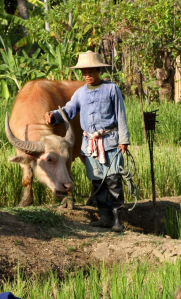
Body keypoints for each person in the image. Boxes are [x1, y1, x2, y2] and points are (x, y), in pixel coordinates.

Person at [44, 51, 130, 232]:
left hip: (110, 141)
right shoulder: (80, 93)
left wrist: (124, 140)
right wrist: (54, 116)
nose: (87, 75)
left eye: (91, 71)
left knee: (113, 180)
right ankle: (104, 217)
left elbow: (121, 115)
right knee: (98, 181)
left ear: (98, 70)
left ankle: (117, 220)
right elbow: (69, 110)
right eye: (84, 72)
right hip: (90, 144)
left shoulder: (112, 89)